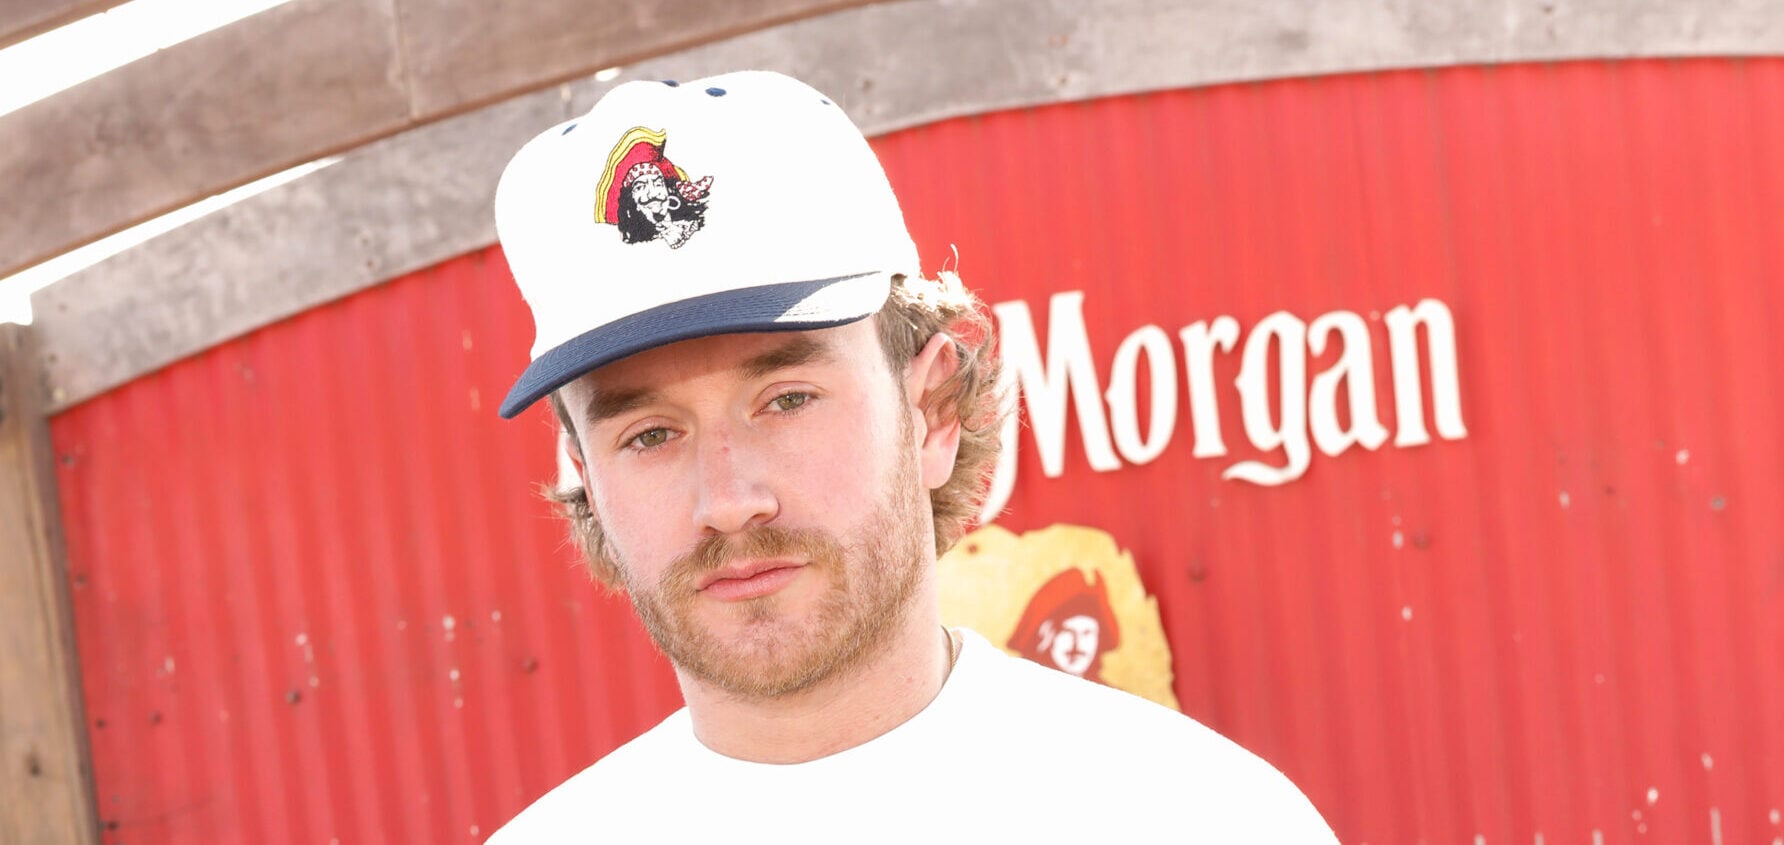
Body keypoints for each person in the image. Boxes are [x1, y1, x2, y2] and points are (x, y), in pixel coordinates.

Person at [487, 70, 1339, 843]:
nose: (730, 498)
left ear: (931, 411)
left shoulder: (1201, 817)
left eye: (787, 399)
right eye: (649, 435)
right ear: (585, 478)